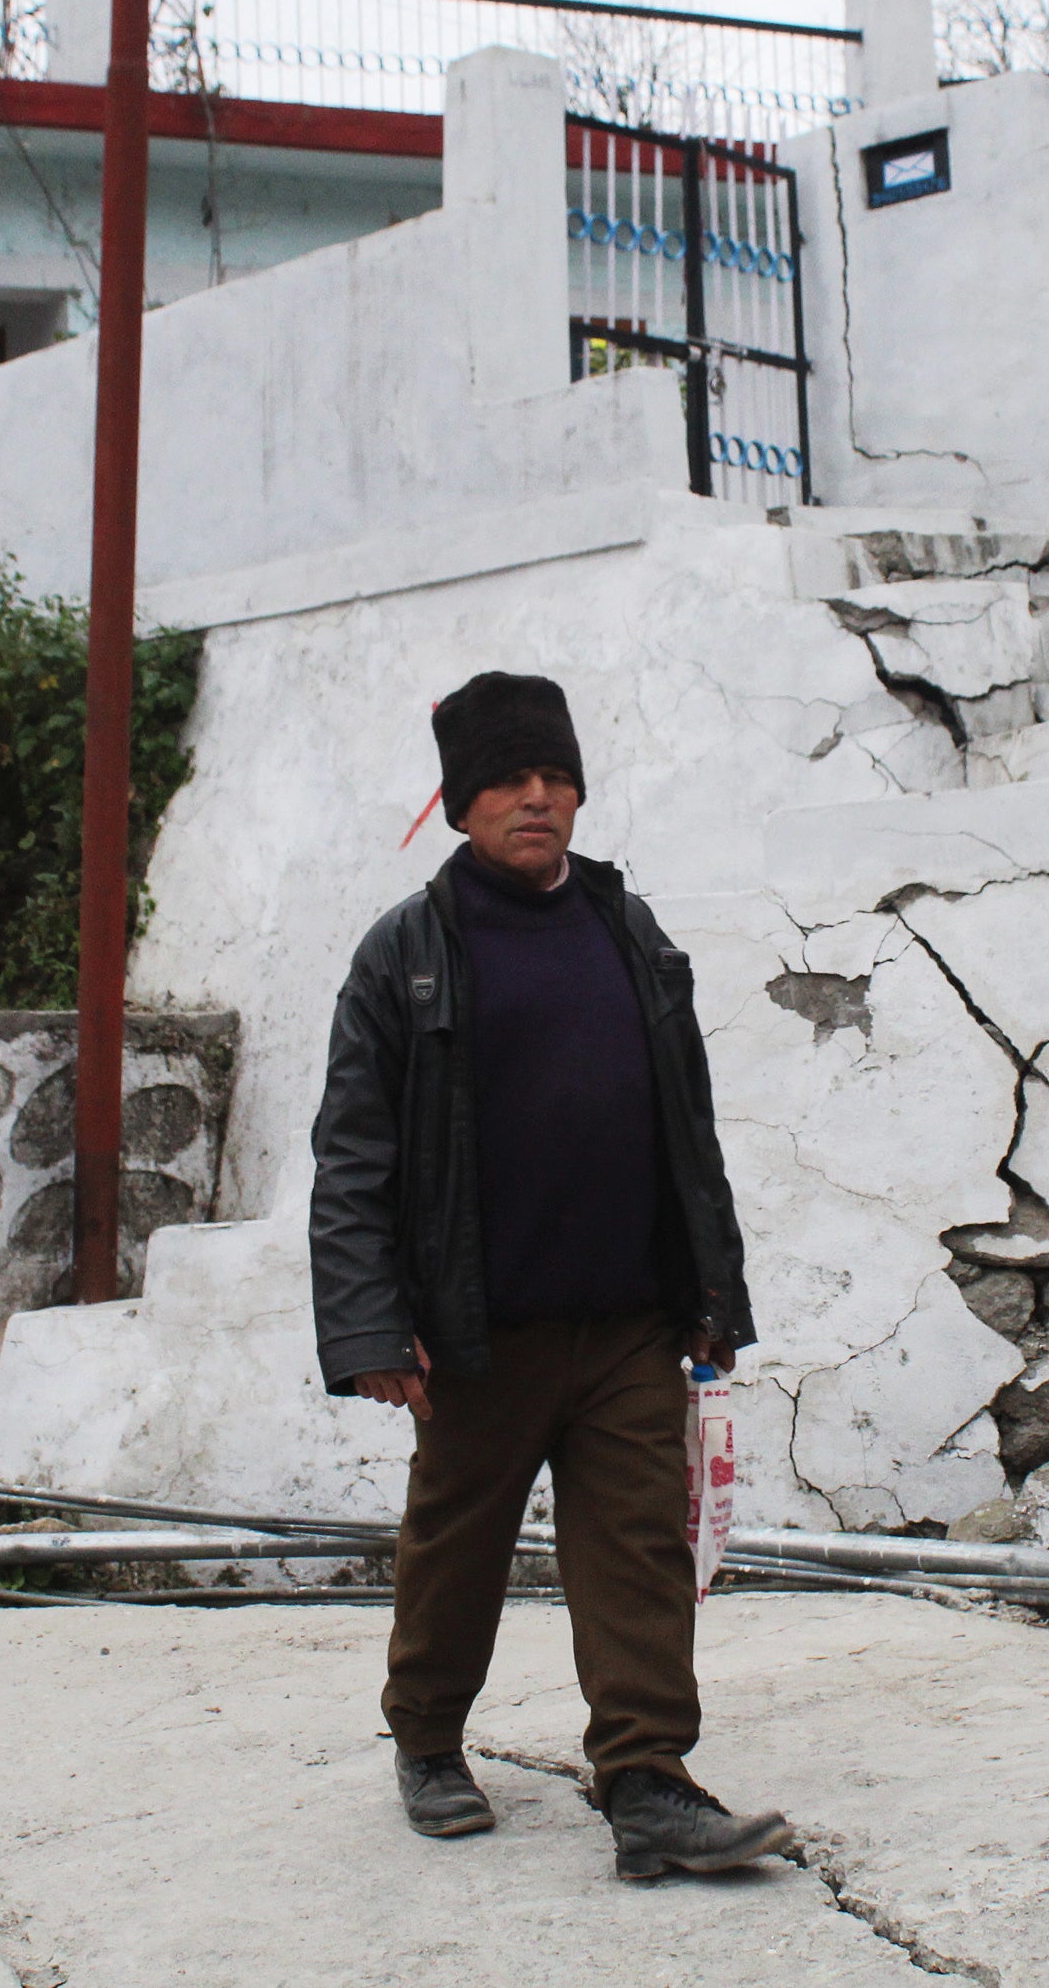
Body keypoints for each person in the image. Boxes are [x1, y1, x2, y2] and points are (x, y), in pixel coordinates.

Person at [308, 671, 792, 1880]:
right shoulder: (405, 954)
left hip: (627, 1318)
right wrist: (373, 1325)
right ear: (461, 802)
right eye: (507, 780)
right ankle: (426, 1740)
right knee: (455, 1547)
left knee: (637, 1548)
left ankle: (647, 1783)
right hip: (482, 1329)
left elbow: (689, 1126)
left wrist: (711, 1297)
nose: (536, 798)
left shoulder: (629, 931)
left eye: (553, 776)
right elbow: (354, 1155)